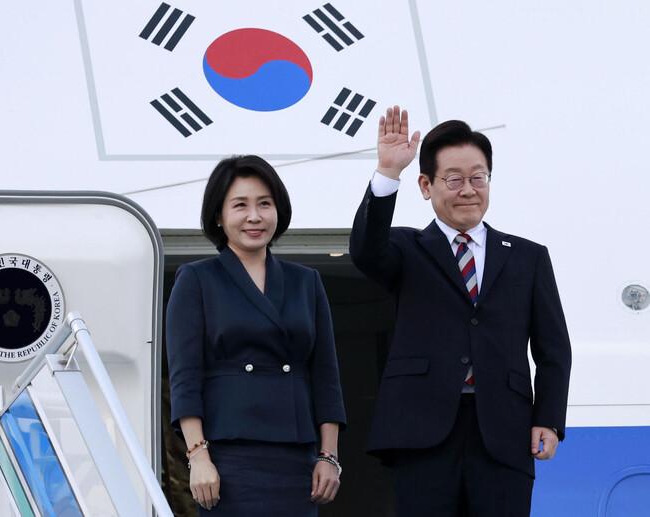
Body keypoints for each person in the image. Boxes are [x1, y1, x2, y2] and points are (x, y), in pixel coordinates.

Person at [350, 107, 572, 516]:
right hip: (422, 432)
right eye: (454, 179)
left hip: (504, 432)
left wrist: (549, 418)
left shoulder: (528, 257)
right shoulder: (406, 249)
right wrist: (387, 172)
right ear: (426, 185)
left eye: (478, 178)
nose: (468, 190)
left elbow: (553, 349)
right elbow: (365, 250)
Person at [166, 155, 346, 516]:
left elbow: (326, 376)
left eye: (265, 204)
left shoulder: (306, 281)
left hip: (296, 454)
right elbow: (185, 376)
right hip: (227, 455)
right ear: (219, 215)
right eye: (240, 205)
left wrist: (329, 456)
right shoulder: (197, 279)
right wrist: (197, 456)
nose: (254, 216)